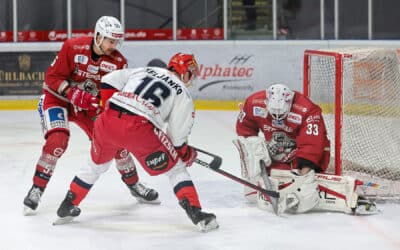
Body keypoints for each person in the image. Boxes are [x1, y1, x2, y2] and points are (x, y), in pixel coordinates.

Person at [53, 53, 219, 232]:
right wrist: (185, 153)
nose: (192, 77)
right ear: (184, 72)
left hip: (106, 120)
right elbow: (177, 138)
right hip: (139, 128)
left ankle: (67, 205)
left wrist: (109, 104)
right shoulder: (183, 92)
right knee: (176, 169)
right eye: (191, 72)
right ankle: (196, 212)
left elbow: (108, 79)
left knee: (94, 165)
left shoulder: (144, 70)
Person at [23, 16, 159, 216]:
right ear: (97, 36)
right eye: (110, 40)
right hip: (58, 100)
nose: (114, 45)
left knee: (117, 145)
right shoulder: (73, 46)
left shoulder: (118, 62)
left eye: (116, 41)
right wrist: (71, 93)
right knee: (57, 141)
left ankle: (134, 184)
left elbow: (113, 95)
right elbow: (52, 77)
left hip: (88, 108)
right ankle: (37, 188)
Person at [233, 83, 377, 215]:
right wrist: (254, 151)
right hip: (278, 152)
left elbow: (312, 144)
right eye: (274, 115)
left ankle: (354, 186)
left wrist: (303, 176)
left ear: (289, 104)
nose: (277, 119)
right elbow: (245, 130)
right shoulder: (253, 103)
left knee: (306, 186)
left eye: (282, 115)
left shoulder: (307, 110)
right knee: (256, 183)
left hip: (312, 154)